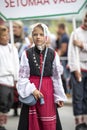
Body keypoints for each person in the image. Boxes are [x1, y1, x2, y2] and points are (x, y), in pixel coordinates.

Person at [17, 23, 67, 130]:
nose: (38, 37)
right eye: (35, 34)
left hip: (48, 93)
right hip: (33, 92)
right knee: (32, 122)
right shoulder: (27, 54)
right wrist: (32, 90)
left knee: (48, 122)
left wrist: (58, 96)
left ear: (46, 36)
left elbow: (56, 78)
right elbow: (22, 77)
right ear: (32, 36)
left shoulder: (53, 54)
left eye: (41, 34)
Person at [68, 12, 87, 130]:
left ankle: (85, 120)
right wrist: (75, 69)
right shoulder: (76, 33)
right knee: (78, 97)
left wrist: (82, 45)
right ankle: (79, 123)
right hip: (79, 68)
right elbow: (71, 53)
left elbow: (82, 46)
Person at [0, 25, 19, 130]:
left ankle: (2, 122)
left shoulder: (12, 48)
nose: (6, 37)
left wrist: (16, 78)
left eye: (7, 35)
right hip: (1, 79)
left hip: (11, 80)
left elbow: (16, 63)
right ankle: (1, 125)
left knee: (9, 102)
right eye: (3, 35)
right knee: (2, 102)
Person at [55, 23, 70, 95]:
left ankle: (68, 92)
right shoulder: (62, 37)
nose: (57, 30)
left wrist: (55, 56)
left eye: (58, 28)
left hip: (64, 59)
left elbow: (63, 50)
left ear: (61, 28)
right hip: (63, 59)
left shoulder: (64, 37)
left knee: (66, 77)